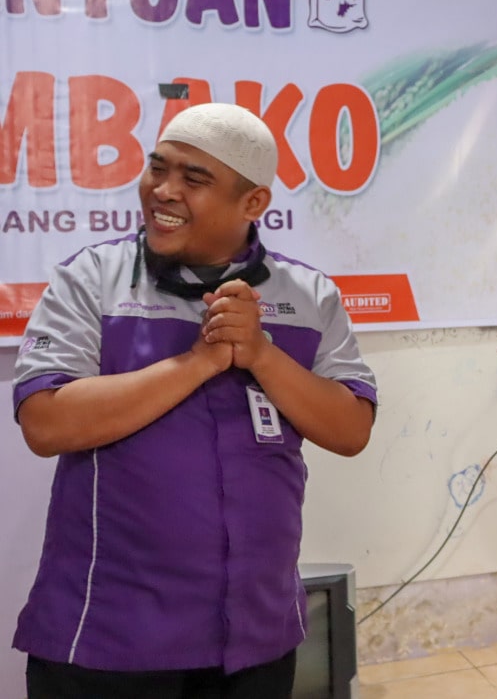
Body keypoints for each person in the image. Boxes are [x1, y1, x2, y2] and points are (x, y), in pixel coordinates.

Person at [12, 103, 377, 699]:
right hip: (108, 637)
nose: (163, 190)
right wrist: (198, 362)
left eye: (194, 178)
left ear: (253, 203)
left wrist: (261, 354)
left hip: (257, 638)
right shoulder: (93, 278)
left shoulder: (310, 296)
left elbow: (351, 429)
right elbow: (46, 422)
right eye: (158, 168)